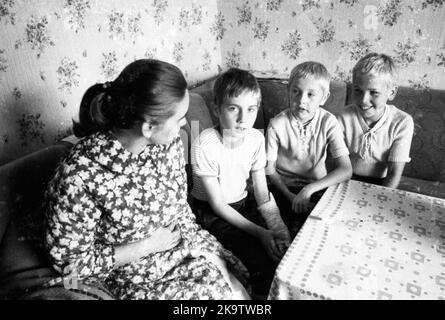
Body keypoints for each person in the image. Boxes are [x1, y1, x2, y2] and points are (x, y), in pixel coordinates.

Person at [44, 59, 250, 300]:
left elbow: (180, 208)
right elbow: (71, 265)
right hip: (137, 276)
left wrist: (203, 250)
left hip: (184, 249)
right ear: (148, 127)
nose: (185, 123)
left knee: (237, 287)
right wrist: (146, 246)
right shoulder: (79, 175)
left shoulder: (169, 144)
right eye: (178, 118)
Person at [190, 68, 291, 298]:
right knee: (258, 260)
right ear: (217, 109)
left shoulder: (256, 139)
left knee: (282, 248)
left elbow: (262, 193)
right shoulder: (204, 144)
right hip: (213, 213)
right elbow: (217, 205)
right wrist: (261, 233)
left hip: (243, 203)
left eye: (251, 109)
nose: (243, 119)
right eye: (233, 108)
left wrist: (277, 229)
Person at [266, 61, 352, 237]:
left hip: (317, 187)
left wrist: (309, 190)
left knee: (331, 230)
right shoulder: (276, 124)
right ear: (288, 90)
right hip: (283, 189)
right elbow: (268, 169)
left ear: (324, 97)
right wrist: (290, 196)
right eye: (296, 91)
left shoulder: (329, 122)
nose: (301, 100)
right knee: (287, 232)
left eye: (311, 94)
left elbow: (346, 169)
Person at [337, 53, 414, 188]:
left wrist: (382, 197)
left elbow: (394, 172)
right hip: (344, 178)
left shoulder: (402, 122)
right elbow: (335, 162)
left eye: (374, 93)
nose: (363, 100)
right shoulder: (342, 117)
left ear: (391, 92)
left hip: (382, 183)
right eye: (358, 90)